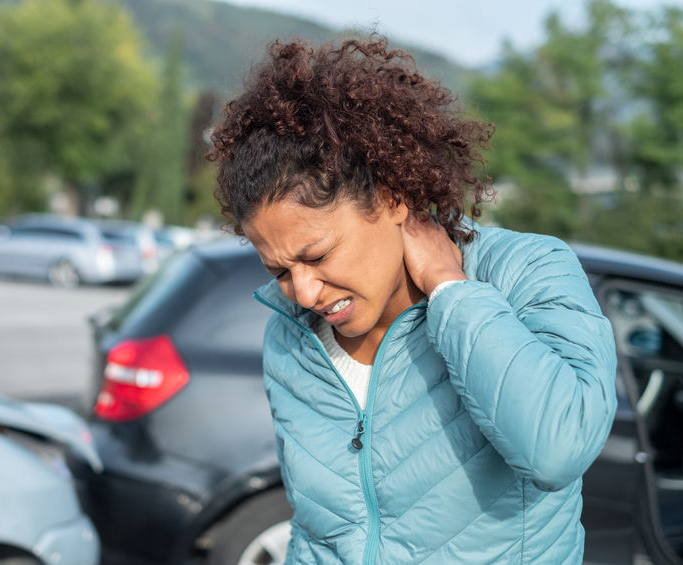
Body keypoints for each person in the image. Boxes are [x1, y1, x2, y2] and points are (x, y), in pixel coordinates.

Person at [207, 35, 617, 564]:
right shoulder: (290, 335)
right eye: (279, 271)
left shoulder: (524, 270)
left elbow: (559, 448)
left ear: (393, 196)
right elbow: (316, 532)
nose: (303, 291)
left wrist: (452, 291)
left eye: (317, 255)